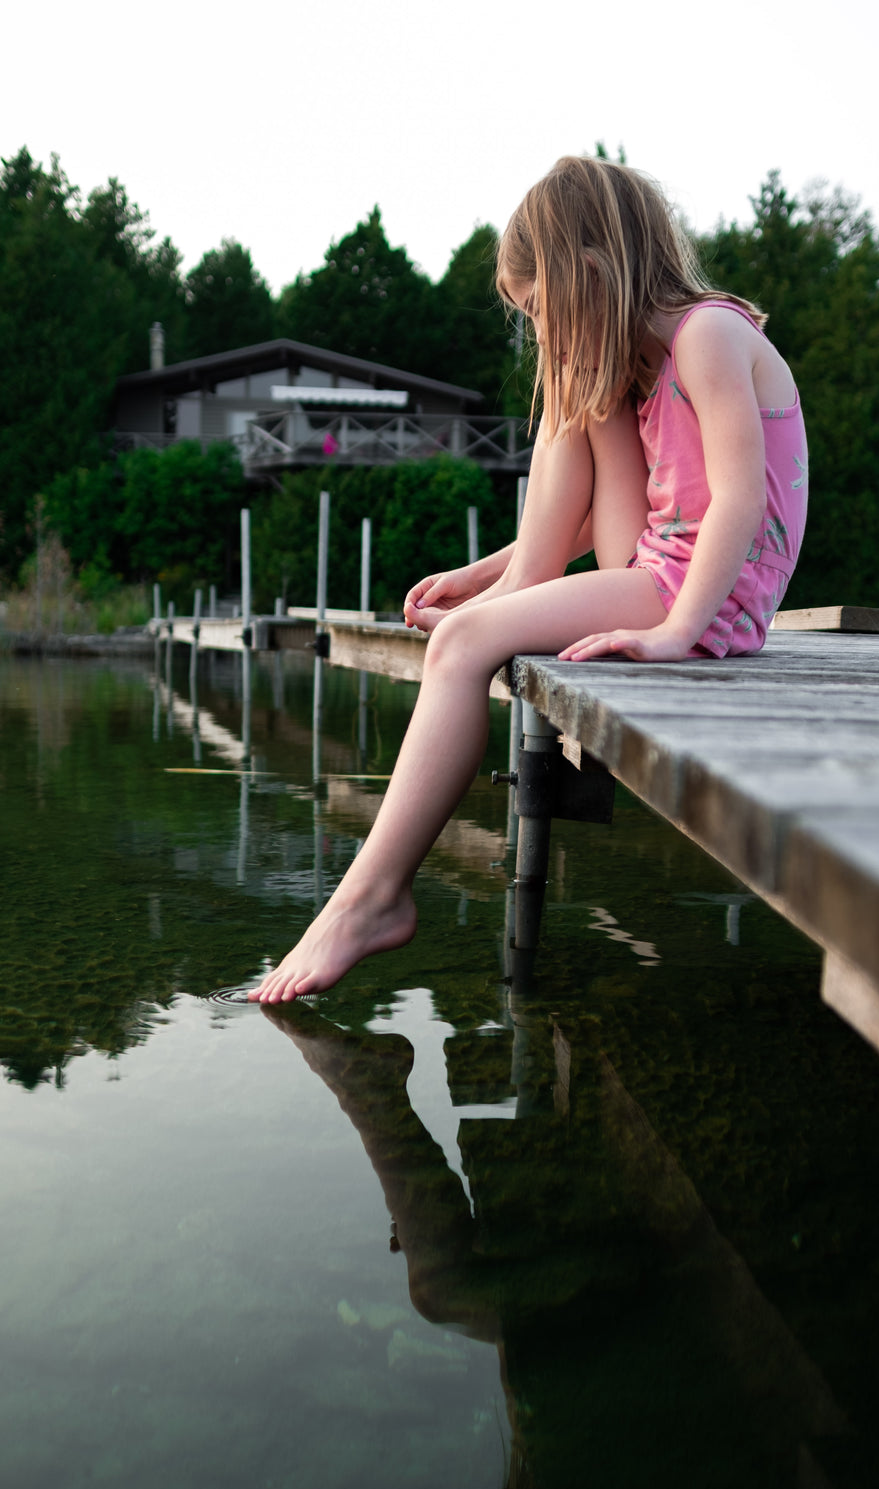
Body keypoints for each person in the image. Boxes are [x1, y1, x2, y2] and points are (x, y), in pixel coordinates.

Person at [248, 155, 808, 1005]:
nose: (538, 328)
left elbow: (733, 499)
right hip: (666, 571)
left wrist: (675, 631)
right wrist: (485, 575)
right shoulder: (651, 368)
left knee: (467, 643)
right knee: (572, 390)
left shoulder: (711, 336)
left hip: (703, 595)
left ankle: (372, 897)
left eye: (540, 309)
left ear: (590, 269)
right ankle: (507, 606)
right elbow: (597, 516)